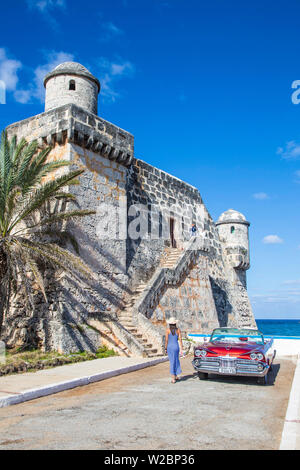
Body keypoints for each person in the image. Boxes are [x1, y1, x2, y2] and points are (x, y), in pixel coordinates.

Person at [165, 317, 183, 383]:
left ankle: (173, 378)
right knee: (176, 360)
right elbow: (180, 340)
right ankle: (175, 375)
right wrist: (181, 349)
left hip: (170, 346)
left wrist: (165, 348)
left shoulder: (168, 330)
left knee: (172, 361)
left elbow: (166, 340)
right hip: (176, 346)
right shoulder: (178, 330)